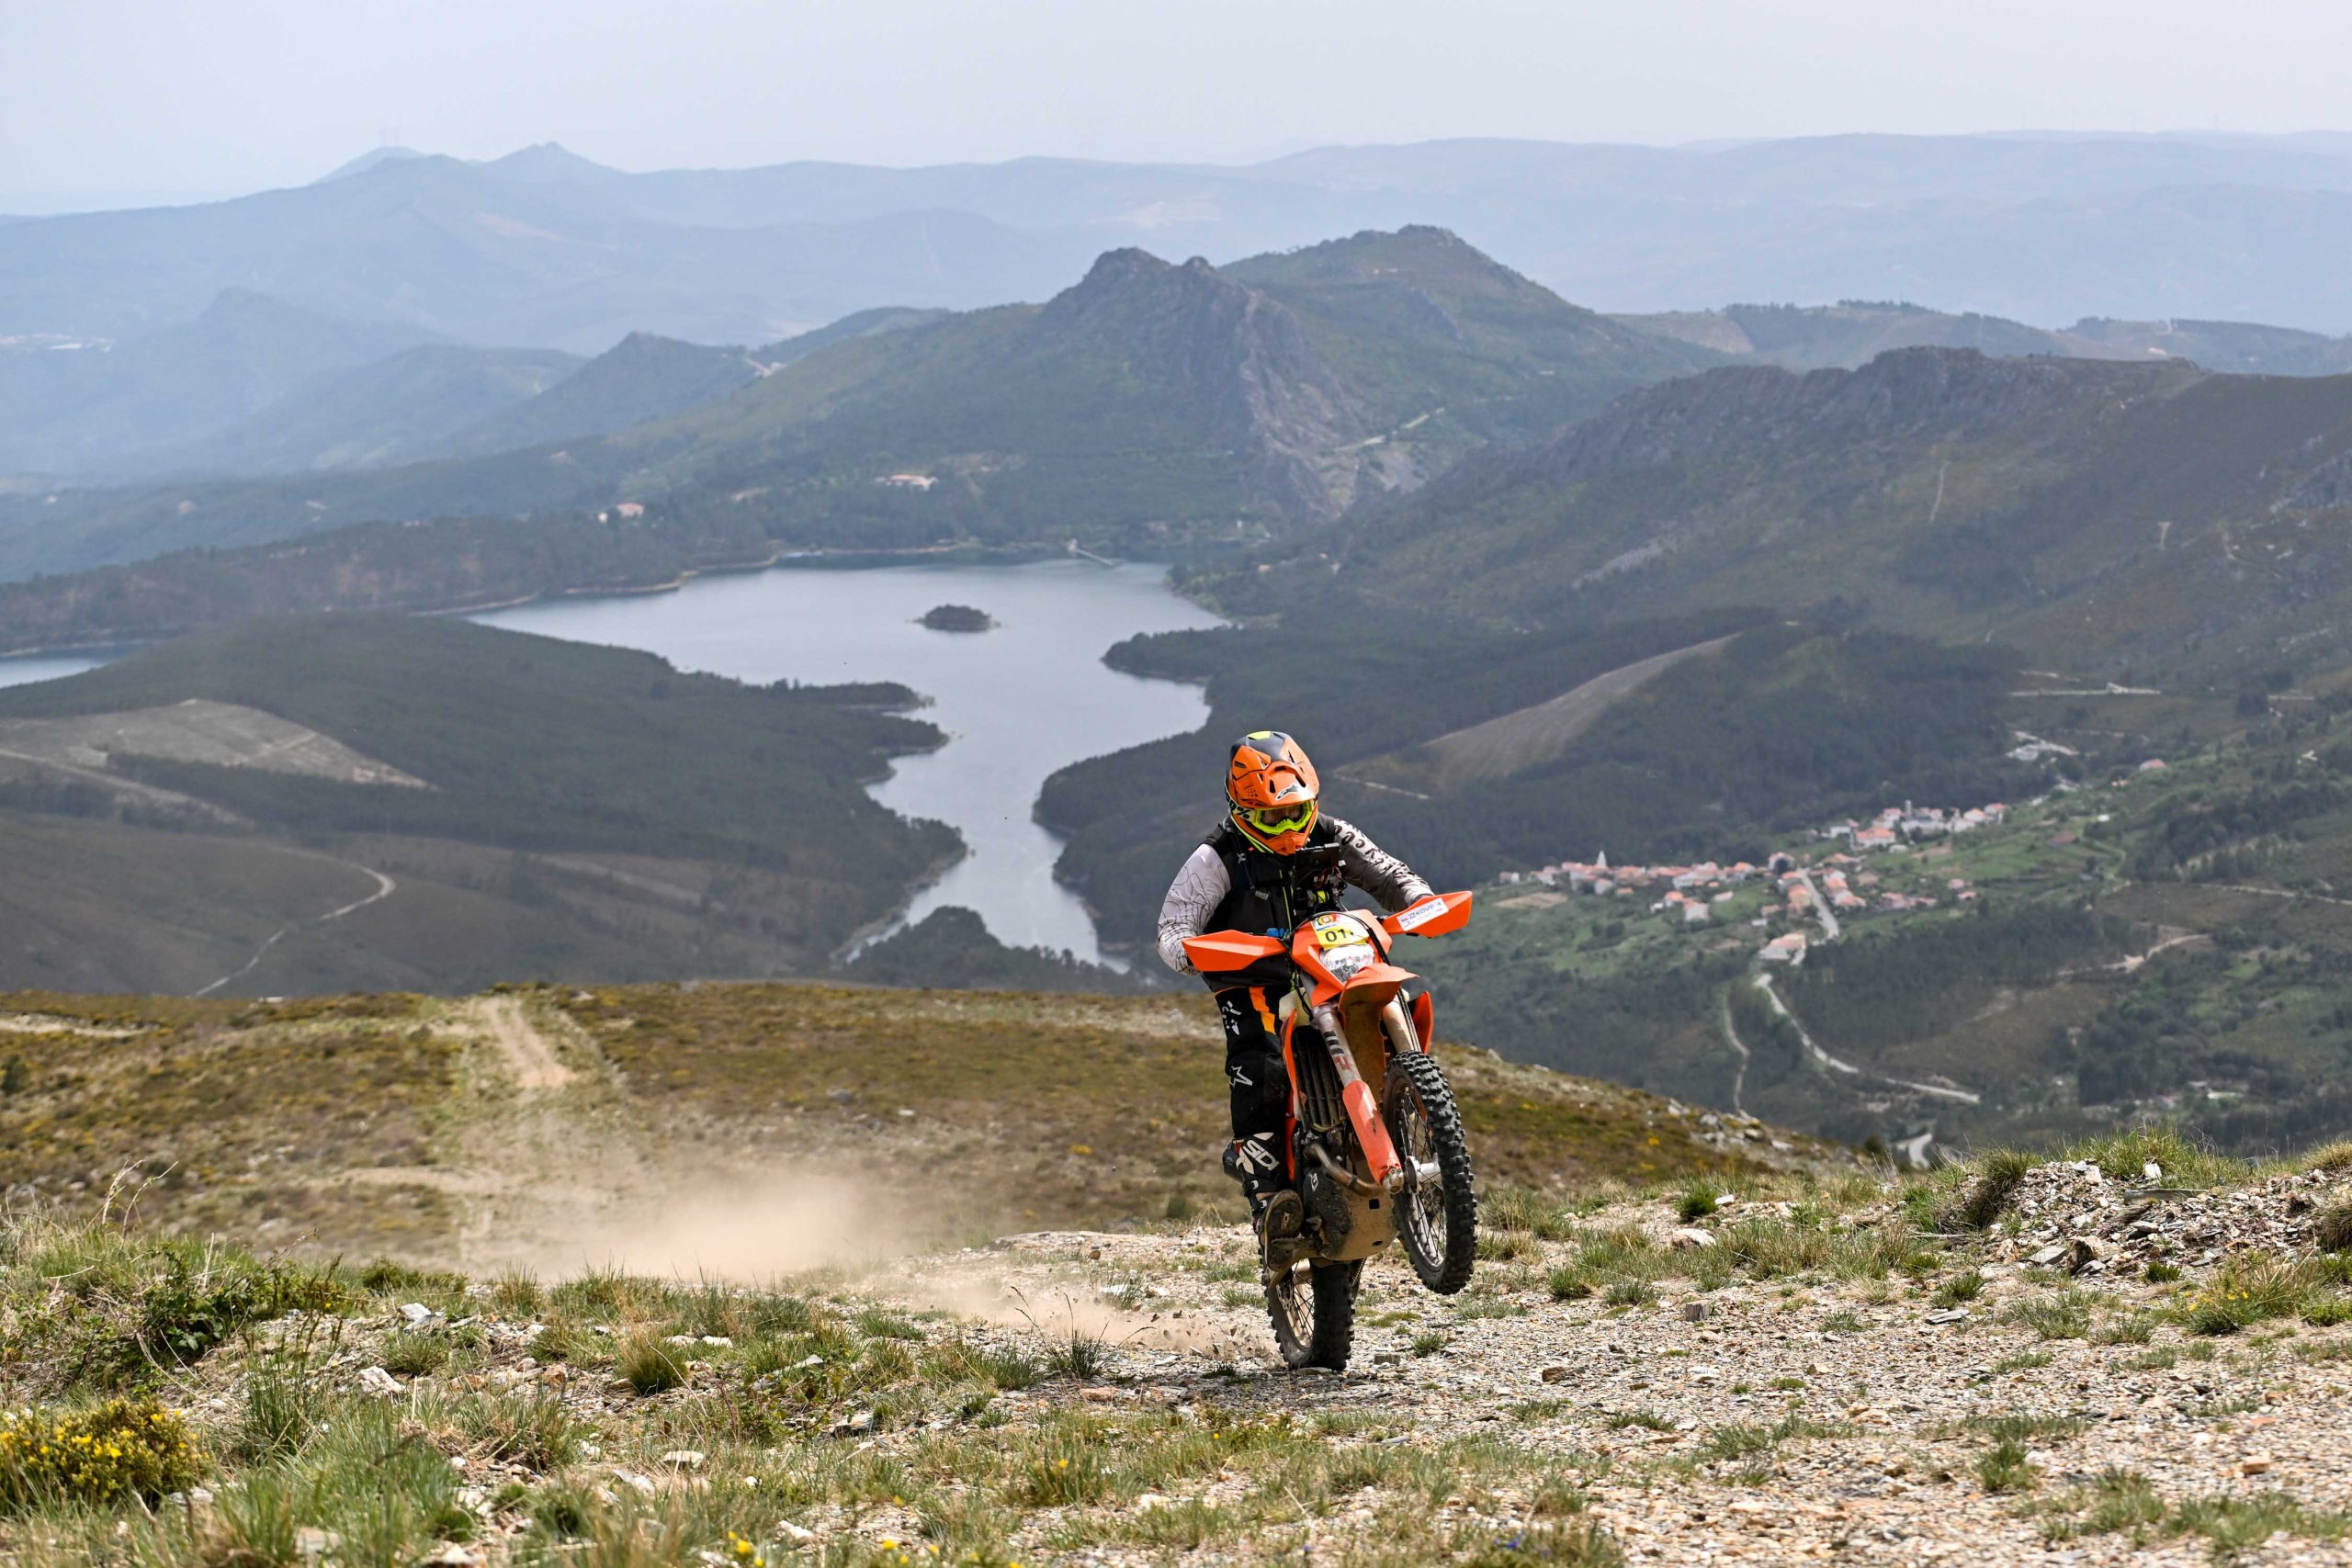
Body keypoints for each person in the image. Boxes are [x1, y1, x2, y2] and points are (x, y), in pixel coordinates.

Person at [1156, 730, 1432, 1257]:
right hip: (1252, 975)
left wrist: (1416, 898)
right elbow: (1172, 927)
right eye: (1270, 818)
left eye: (1294, 814)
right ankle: (1267, 1195)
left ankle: (1414, 1104)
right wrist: (1193, 953)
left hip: (1333, 961)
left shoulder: (1334, 834)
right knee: (1259, 1067)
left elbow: (1391, 873)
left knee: (1397, 999)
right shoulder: (1215, 857)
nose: (1286, 828)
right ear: (1241, 810)